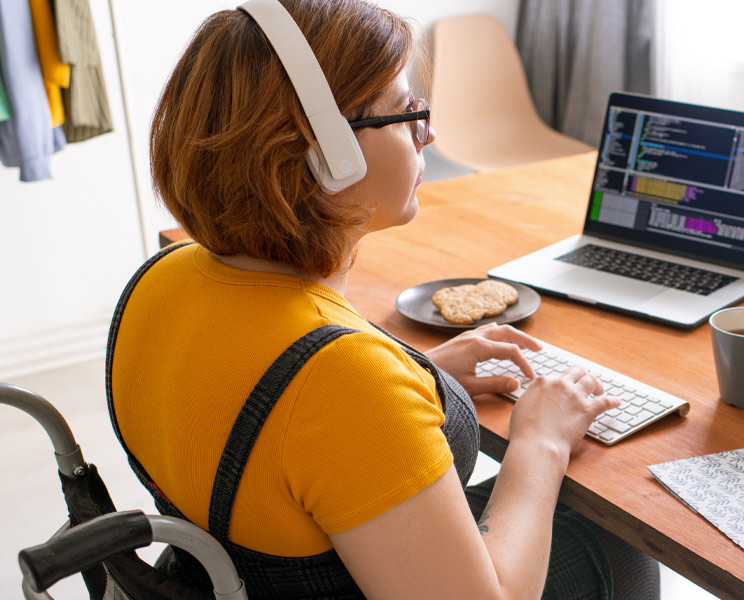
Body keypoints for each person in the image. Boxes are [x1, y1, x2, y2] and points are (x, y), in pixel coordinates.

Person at [106, 1, 660, 598]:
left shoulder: (161, 275)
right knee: (616, 537)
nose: (429, 132)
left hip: (229, 571)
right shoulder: (343, 383)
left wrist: (415, 377)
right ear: (326, 156)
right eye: (404, 113)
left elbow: (276, 421)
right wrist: (541, 441)